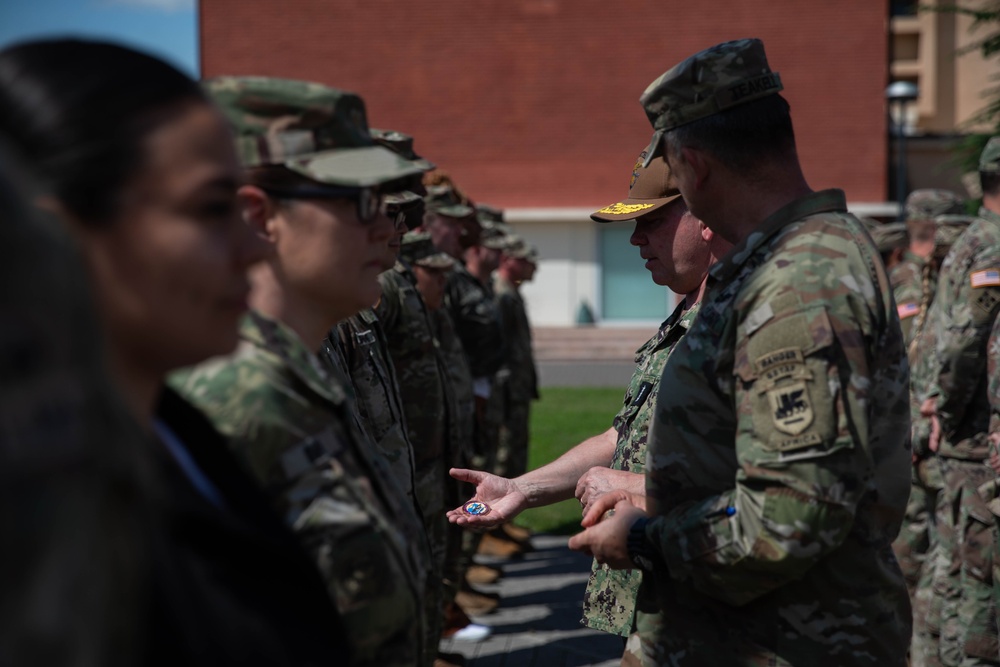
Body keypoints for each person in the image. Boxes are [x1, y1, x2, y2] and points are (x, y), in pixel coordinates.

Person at [0, 39, 349, 665]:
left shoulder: (174, 437)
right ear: (54, 234)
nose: (254, 247)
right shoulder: (32, 529)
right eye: (210, 208)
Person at [570, 38, 912, 666]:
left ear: (694, 167)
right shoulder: (787, 259)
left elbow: (786, 518)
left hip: (779, 639)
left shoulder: (798, 283)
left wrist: (644, 537)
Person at [170, 76, 428, 667]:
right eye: (362, 200)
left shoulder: (302, 374)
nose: (388, 228)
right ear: (259, 216)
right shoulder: (227, 401)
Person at [448, 148, 730, 665]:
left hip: (718, 608)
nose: (635, 238)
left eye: (651, 221)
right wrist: (520, 490)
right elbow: (624, 435)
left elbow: (790, 483)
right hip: (666, 597)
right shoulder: (692, 309)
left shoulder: (747, 318)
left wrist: (639, 487)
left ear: (703, 215)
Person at [920, 135, 1000, 667]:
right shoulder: (991, 246)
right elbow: (966, 340)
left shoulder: (973, 239)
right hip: (972, 441)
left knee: (952, 574)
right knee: (978, 589)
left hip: (960, 437)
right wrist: (943, 412)